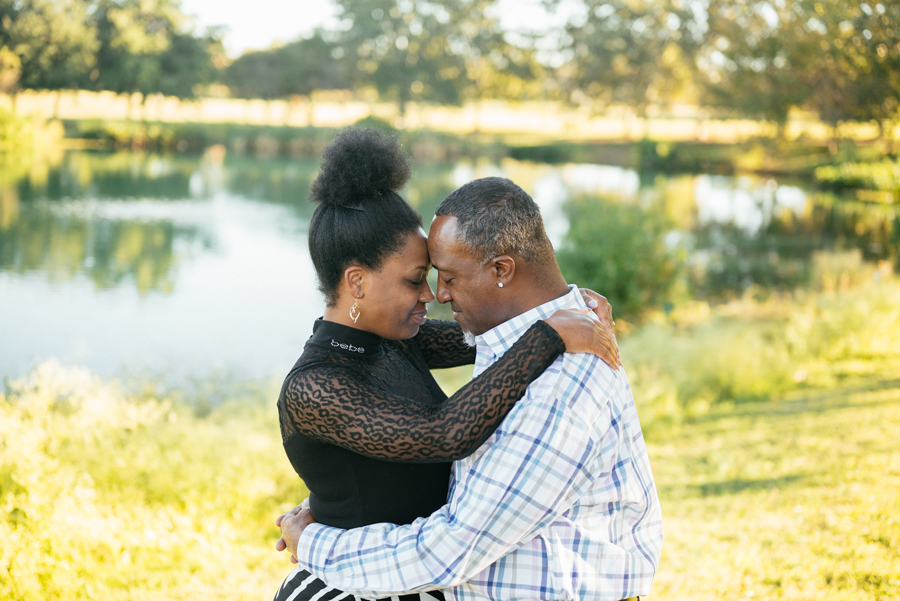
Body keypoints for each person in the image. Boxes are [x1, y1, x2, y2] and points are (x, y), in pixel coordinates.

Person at [273, 129, 621, 601]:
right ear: (356, 281)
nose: (430, 296)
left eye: (433, 278)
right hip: (358, 587)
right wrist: (550, 332)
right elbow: (440, 434)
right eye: (416, 281)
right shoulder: (315, 386)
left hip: (419, 578)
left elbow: (495, 327)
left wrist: (570, 302)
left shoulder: (399, 340)